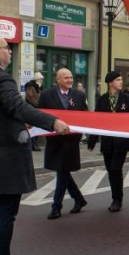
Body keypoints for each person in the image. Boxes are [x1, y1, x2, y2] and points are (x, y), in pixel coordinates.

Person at [0, 34, 69, 255]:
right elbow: (17, 107)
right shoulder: (2, 79)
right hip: (6, 154)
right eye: (6, 48)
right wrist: (51, 121)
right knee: (6, 212)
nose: (10, 51)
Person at [38, 68, 89, 220]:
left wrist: (80, 135)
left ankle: (56, 207)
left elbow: (85, 115)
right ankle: (79, 199)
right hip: (55, 139)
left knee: (62, 171)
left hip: (71, 141)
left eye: (71, 77)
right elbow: (40, 114)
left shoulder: (79, 95)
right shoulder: (46, 94)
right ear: (58, 79)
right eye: (66, 78)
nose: (69, 80)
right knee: (63, 171)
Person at [87, 71, 129, 212]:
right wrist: (91, 140)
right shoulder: (102, 99)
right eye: (118, 80)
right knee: (110, 171)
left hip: (121, 142)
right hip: (107, 142)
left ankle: (118, 199)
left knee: (116, 169)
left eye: (121, 79)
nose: (121, 82)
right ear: (110, 83)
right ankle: (114, 197)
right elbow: (96, 121)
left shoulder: (127, 99)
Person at [24, 75, 43, 151]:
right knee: (32, 127)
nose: (41, 80)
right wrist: (38, 104)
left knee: (37, 127)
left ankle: (35, 144)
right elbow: (30, 97)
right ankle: (32, 145)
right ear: (37, 79)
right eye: (40, 79)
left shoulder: (38, 87)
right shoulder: (30, 86)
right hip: (32, 108)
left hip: (37, 108)